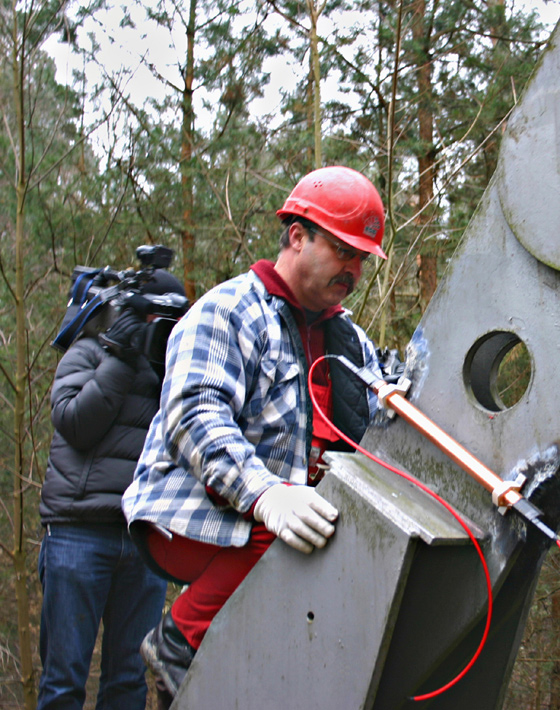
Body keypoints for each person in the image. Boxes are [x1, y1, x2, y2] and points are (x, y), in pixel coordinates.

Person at [122, 166, 388, 700]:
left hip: (276, 519)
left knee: (354, 533)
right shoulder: (226, 312)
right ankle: (179, 641)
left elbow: (385, 411)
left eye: (361, 258)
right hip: (196, 510)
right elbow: (195, 413)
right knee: (301, 525)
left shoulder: (350, 340)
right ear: (297, 236)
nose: (352, 268)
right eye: (341, 250)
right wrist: (266, 494)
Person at [37, 270, 187, 709]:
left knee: (126, 680)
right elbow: (76, 424)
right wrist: (120, 356)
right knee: (64, 680)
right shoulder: (88, 351)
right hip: (77, 531)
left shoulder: (174, 374)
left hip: (144, 537)